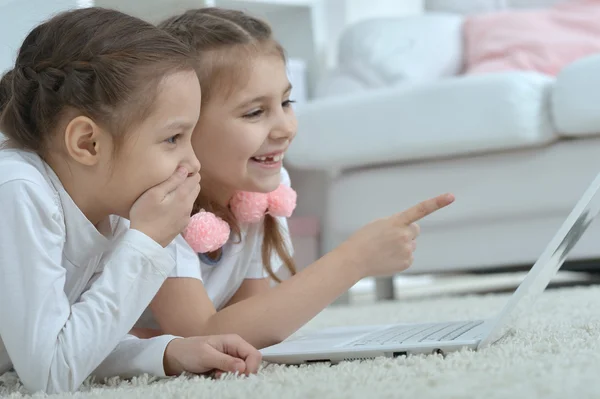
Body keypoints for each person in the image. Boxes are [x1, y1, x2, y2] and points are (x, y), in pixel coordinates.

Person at [134, 7, 454, 350]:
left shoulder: (253, 192)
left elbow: (250, 322)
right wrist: (354, 259)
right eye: (255, 112)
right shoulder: (160, 206)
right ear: (183, 127)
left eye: (286, 102)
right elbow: (202, 337)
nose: (286, 127)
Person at [0, 7, 261, 394]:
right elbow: (51, 374)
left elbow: (74, 340)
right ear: (87, 143)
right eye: (173, 138)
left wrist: (169, 352)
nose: (193, 162)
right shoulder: (18, 190)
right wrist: (146, 243)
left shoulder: (114, 208)